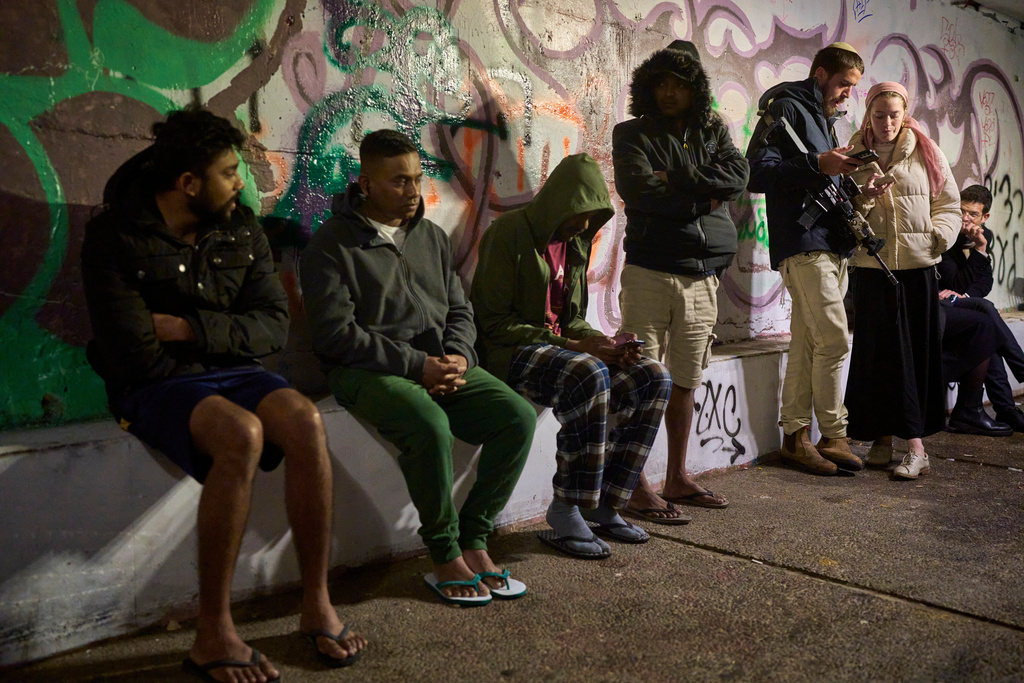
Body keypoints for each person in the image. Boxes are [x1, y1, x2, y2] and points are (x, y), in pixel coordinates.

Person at [81, 106, 366, 683]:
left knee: (306, 420)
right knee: (242, 433)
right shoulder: (115, 236)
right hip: (154, 382)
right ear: (189, 184)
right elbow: (134, 350)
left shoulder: (241, 227)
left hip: (231, 368)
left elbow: (269, 327)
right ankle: (213, 631)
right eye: (229, 172)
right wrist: (210, 338)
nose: (242, 183)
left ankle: (316, 603)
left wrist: (188, 327)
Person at [300, 129, 535, 606]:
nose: (411, 192)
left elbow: (459, 310)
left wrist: (459, 356)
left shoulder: (429, 236)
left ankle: (474, 538)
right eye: (397, 182)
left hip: (437, 363)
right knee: (430, 426)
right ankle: (445, 554)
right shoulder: (332, 244)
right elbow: (335, 336)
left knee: (517, 417)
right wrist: (416, 366)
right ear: (365, 184)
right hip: (365, 370)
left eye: (415, 179)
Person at [471, 153, 673, 559]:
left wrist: (606, 343)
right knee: (586, 372)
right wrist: (576, 347)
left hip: (559, 353)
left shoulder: (574, 245)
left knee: (652, 377)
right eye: (577, 215)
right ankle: (566, 508)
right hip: (509, 353)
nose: (582, 225)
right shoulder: (508, 235)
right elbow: (491, 324)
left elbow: (572, 319)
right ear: (557, 202)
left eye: (590, 218)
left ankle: (605, 502)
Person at [611, 42, 749, 520]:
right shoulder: (631, 133)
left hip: (702, 274)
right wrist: (701, 198)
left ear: (696, 89)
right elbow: (638, 191)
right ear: (649, 86)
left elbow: (737, 175)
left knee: (686, 380)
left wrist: (678, 178)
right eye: (661, 83)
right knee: (639, 379)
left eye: (680, 84)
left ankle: (676, 476)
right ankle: (634, 484)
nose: (669, 92)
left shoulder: (713, 131)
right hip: (650, 270)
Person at [745, 42, 867, 476]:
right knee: (835, 339)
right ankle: (835, 434)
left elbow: (822, 180)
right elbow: (756, 173)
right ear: (820, 75)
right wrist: (819, 162)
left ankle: (795, 436)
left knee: (808, 341)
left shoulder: (825, 120)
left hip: (832, 244)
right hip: (802, 243)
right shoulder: (787, 109)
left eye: (852, 88)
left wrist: (859, 191)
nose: (846, 95)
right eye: (842, 85)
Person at [844, 81, 969, 479]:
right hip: (872, 268)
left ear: (905, 113)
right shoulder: (853, 153)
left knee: (911, 356)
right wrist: (863, 195)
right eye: (879, 115)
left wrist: (938, 238)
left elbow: (949, 203)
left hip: (917, 270)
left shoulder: (926, 151)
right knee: (876, 356)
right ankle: (881, 438)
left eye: (894, 114)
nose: (887, 123)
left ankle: (916, 447)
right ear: (868, 115)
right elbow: (843, 210)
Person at [936, 184, 1024, 432]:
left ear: (984, 217)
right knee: (985, 310)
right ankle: (1009, 400)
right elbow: (952, 283)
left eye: (972, 214)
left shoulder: (985, 235)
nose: (965, 219)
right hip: (939, 307)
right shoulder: (946, 234)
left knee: (987, 328)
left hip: (961, 306)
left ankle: (1006, 410)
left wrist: (963, 295)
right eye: (961, 211)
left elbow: (984, 282)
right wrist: (980, 251)